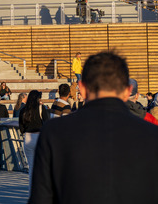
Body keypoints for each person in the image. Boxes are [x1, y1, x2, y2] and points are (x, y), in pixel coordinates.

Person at [30, 52, 158, 203]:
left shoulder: (54, 132)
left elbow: (41, 198)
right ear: (128, 91)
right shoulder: (151, 135)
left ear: (82, 89)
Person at [19, 90, 50, 188]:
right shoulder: (41, 108)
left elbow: (21, 127)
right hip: (39, 137)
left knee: (31, 168)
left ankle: (31, 192)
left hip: (28, 138)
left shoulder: (23, 110)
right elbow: (47, 122)